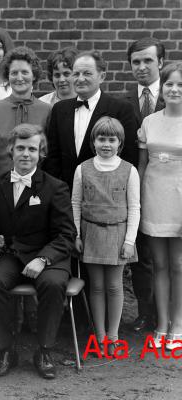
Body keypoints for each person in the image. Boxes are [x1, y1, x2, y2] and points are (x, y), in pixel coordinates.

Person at [0, 124, 76, 379]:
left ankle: (44, 350)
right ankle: (5, 349)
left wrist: (43, 259)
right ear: (10, 150)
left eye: (32, 149)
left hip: (48, 256)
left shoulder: (55, 187)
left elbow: (66, 234)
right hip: (11, 255)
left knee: (53, 284)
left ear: (40, 153)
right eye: (20, 148)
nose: (25, 154)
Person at [72, 117, 140, 354]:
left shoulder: (129, 170)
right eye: (101, 139)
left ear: (120, 143)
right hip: (91, 233)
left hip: (118, 234)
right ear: (93, 141)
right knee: (97, 286)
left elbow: (134, 207)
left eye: (112, 140)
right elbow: (76, 203)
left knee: (114, 285)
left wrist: (129, 241)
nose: (106, 144)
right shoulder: (83, 169)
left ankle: (113, 335)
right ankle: (99, 335)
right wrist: (77, 234)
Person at [44, 50, 139, 191]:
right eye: (76, 74)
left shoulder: (121, 109)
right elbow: (52, 156)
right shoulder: (59, 109)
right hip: (64, 193)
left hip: (105, 194)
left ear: (102, 76)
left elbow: (128, 157)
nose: (80, 79)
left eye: (87, 73)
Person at [138, 62, 182, 350]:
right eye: (169, 84)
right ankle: (162, 324)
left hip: (180, 198)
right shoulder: (149, 122)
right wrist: (138, 202)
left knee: (179, 264)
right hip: (154, 196)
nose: (174, 89)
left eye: (180, 85)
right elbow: (142, 165)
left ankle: (178, 325)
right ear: (162, 87)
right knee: (159, 264)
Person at [124, 37, 165, 333]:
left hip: (169, 188)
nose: (141, 67)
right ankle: (144, 313)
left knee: (171, 256)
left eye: (148, 60)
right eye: (136, 62)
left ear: (160, 62)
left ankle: (168, 314)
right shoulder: (122, 103)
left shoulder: (174, 96)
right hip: (136, 186)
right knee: (142, 256)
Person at [0, 46, 51, 174]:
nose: (19, 78)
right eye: (14, 73)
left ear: (34, 75)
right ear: (8, 76)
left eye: (25, 72)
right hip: (0, 182)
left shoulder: (47, 110)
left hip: (37, 183)